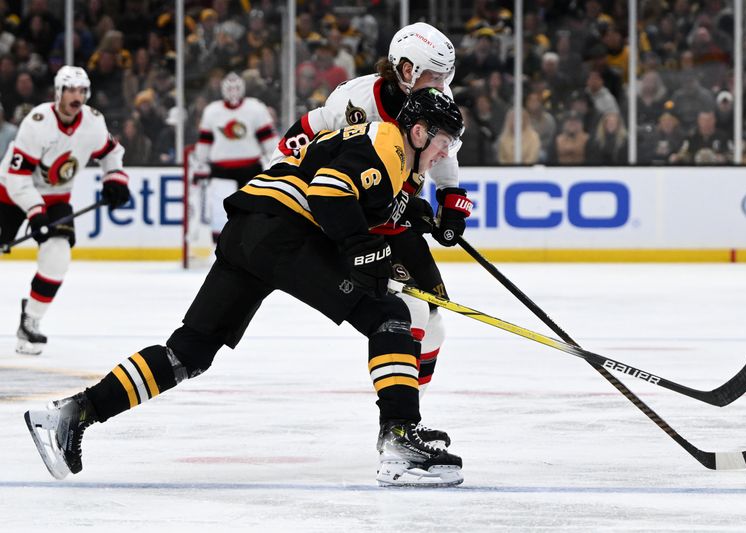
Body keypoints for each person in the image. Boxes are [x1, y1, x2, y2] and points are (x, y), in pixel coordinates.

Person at [25, 88, 465, 488]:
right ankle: (400, 440)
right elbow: (330, 193)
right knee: (390, 317)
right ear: (420, 131)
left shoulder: (385, 150)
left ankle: (72, 413)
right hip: (283, 233)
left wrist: (409, 218)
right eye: (444, 141)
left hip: (249, 231)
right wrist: (365, 253)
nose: (445, 152)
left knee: (188, 353)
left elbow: (351, 194)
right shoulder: (387, 142)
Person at [269, 22, 472, 400]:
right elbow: (297, 144)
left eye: (445, 77)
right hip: (355, 225)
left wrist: (450, 200)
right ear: (406, 68)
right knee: (409, 313)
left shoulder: (438, 101)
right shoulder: (355, 99)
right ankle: (397, 421)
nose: (442, 85)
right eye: (433, 75)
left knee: (435, 325)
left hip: (397, 219)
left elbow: (445, 155)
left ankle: (410, 415)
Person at [0, 65, 129, 355]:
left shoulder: (93, 123)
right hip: (10, 192)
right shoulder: (37, 123)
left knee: (58, 256)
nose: (77, 96)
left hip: (57, 197)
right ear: (58, 92)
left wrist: (115, 179)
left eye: (82, 90)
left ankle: (31, 320)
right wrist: (35, 212)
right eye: (70, 89)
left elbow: (111, 152)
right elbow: (19, 177)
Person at [191, 72, 278, 242]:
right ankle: (219, 247)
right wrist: (200, 163)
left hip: (250, 169)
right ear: (223, 89)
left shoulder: (255, 108)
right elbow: (205, 142)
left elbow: (268, 139)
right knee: (219, 210)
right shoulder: (212, 111)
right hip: (220, 169)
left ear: (243, 88)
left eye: (236, 87)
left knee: (253, 209)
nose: (233, 91)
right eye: (229, 88)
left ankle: (252, 244)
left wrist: (278, 159)